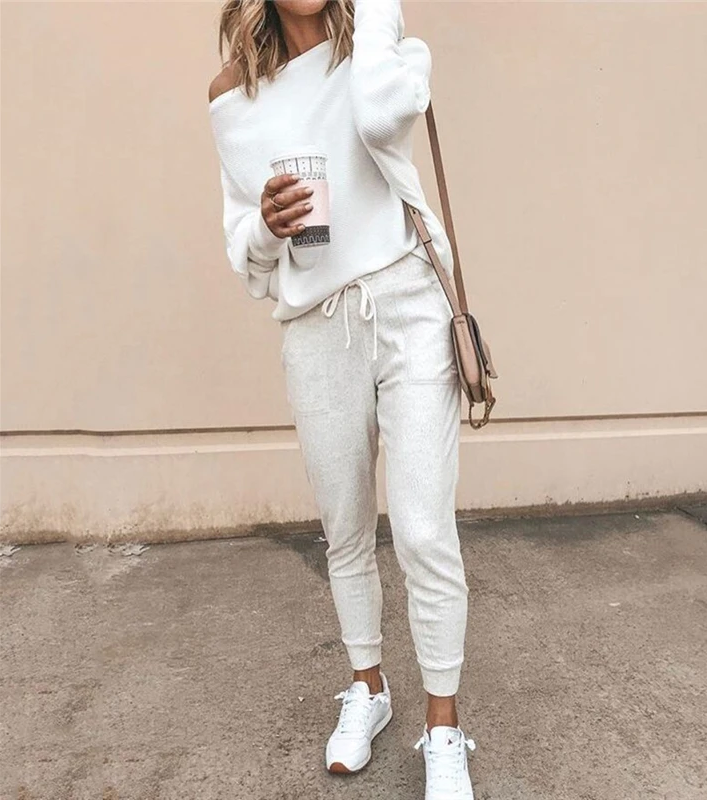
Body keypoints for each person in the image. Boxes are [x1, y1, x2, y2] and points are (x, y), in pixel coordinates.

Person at [208, 1, 475, 796]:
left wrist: (380, 19)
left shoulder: (376, 47)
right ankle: (368, 688)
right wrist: (266, 225)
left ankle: (444, 727)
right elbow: (247, 257)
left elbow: (385, 113)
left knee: (424, 528)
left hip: (409, 303)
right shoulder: (231, 94)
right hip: (317, 323)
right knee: (346, 527)